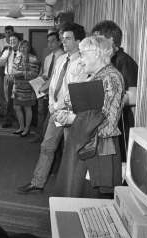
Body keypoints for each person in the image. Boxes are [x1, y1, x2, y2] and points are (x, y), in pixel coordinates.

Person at [16, 23, 88, 193]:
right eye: (63, 38)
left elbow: (73, 92)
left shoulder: (83, 63)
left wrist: (56, 106)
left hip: (69, 114)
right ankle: (37, 182)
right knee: (47, 147)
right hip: (55, 111)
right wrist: (51, 105)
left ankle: (70, 188)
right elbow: (54, 82)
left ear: (78, 41)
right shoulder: (62, 58)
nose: (64, 41)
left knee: (71, 152)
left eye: (68, 38)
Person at [51, 36, 126, 198]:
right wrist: (68, 115)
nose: (80, 61)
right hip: (88, 145)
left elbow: (108, 125)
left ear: (97, 54)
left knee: (88, 202)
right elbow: (87, 111)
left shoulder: (111, 78)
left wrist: (74, 119)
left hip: (99, 150)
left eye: (83, 54)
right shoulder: (96, 77)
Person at [91, 21, 138, 162]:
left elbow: (134, 97)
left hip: (120, 121)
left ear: (110, 40)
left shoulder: (125, 61)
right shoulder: (105, 61)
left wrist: (108, 99)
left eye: (98, 39)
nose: (95, 44)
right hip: (103, 118)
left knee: (119, 161)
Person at [29, 32, 65, 144]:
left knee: (51, 114)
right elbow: (44, 72)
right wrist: (38, 82)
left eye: (53, 41)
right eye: (48, 41)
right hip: (44, 87)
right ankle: (39, 135)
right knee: (41, 112)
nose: (50, 44)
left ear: (59, 42)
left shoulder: (64, 56)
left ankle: (48, 139)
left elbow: (56, 76)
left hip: (56, 90)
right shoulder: (48, 57)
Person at [10, 40, 41, 137]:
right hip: (17, 86)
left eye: (25, 46)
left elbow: (35, 74)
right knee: (17, 107)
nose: (23, 48)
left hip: (27, 87)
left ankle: (27, 128)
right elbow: (13, 70)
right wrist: (13, 74)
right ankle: (21, 127)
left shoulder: (33, 58)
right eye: (21, 46)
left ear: (28, 48)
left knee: (27, 108)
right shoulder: (17, 57)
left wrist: (22, 73)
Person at [0, 26, 14, 119]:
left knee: (11, 92)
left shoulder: (15, 41)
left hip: (12, 68)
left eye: (9, 32)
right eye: (6, 32)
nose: (8, 34)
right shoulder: (1, 41)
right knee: (1, 90)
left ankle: (12, 113)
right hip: (1, 67)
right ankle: (2, 111)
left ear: (12, 32)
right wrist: (5, 52)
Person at [0, 34, 21, 128]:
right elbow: (0, 63)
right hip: (8, 77)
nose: (12, 42)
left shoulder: (22, 51)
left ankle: (20, 119)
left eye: (14, 40)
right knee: (8, 101)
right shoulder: (7, 51)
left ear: (19, 41)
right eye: (11, 40)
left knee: (19, 99)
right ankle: (8, 120)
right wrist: (7, 55)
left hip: (19, 78)